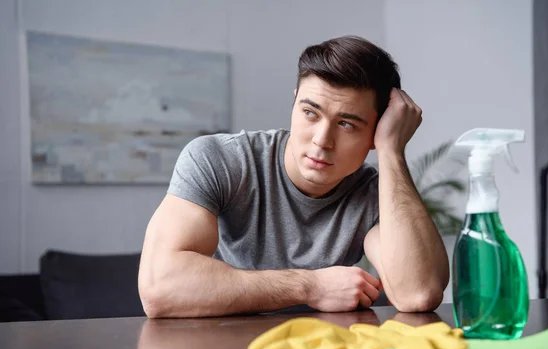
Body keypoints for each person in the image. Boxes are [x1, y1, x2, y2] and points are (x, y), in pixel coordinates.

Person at [138, 35, 449, 318]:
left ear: (375, 133)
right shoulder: (220, 159)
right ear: (294, 102)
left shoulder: (374, 193)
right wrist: (309, 285)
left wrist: (392, 152)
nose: (321, 140)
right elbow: (159, 287)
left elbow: (417, 293)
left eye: (346, 124)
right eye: (310, 113)